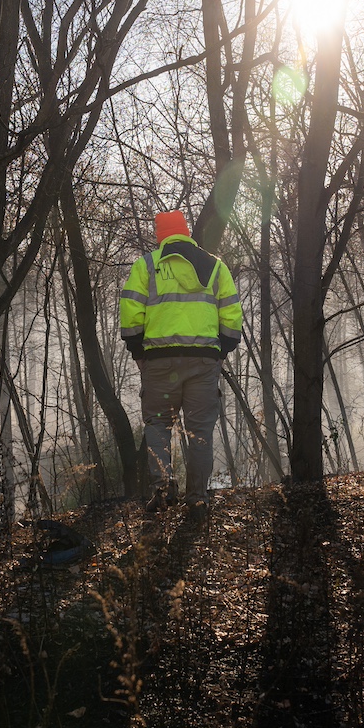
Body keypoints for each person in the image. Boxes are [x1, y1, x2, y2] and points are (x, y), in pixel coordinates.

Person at [119, 209, 243, 514]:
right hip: (203, 362)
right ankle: (198, 497)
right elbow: (231, 316)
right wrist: (220, 351)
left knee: (158, 427)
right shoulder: (216, 267)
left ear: (160, 235)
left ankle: (162, 492)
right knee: (200, 431)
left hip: (159, 362)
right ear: (186, 232)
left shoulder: (146, 266)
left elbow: (131, 314)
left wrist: (138, 352)